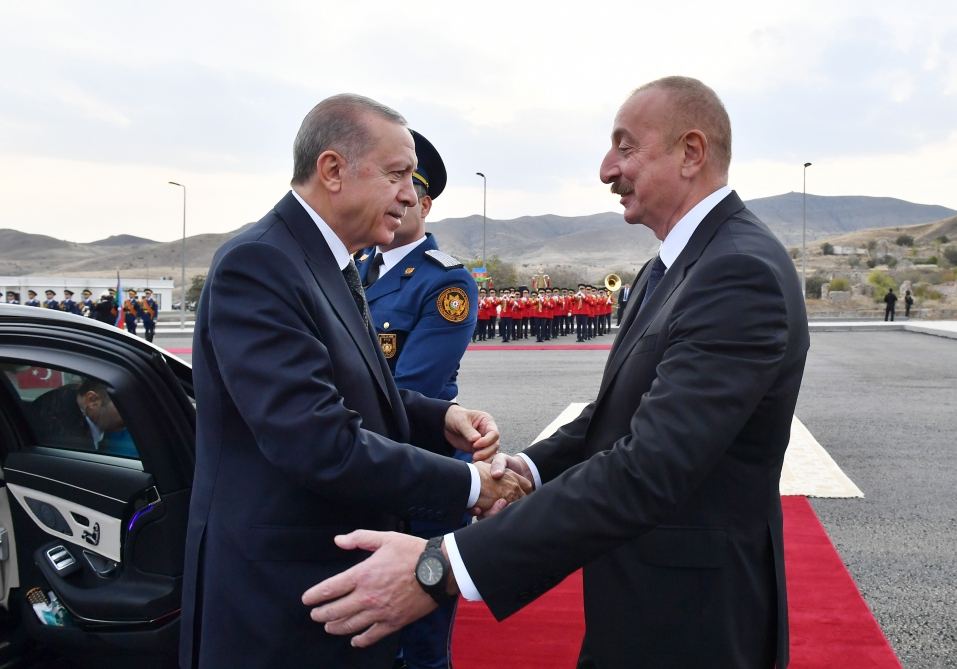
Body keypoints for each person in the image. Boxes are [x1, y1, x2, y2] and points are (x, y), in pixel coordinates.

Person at [303, 76, 810, 669]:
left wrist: (445, 565)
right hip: (646, 600)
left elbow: (651, 465)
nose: (606, 169)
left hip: (697, 621)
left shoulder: (737, 272)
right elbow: (619, 412)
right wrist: (527, 468)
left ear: (691, 152)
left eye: (625, 147)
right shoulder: (674, 266)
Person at [180, 94, 529, 669]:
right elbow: (316, 439)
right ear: (333, 170)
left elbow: (355, 388)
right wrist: (472, 485)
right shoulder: (261, 264)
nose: (409, 195)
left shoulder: (327, 259)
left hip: (331, 586)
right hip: (283, 601)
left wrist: (438, 416)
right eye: (396, 175)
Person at [356, 128, 477, 669]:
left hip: (418, 475)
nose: (397, 199)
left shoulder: (443, 282)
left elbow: (414, 391)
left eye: (408, 191)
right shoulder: (354, 271)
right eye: (387, 184)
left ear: (424, 205)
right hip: (365, 469)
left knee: (418, 645)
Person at [26, 379, 138, 457]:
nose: (133, 414)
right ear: (92, 400)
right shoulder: (68, 443)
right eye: (124, 406)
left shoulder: (74, 396)